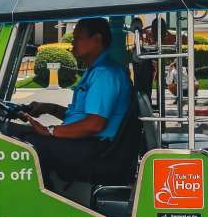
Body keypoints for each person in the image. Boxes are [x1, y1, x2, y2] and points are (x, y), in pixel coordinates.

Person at [19, 18, 132, 184]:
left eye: (78, 38)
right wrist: (48, 108)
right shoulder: (95, 71)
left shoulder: (104, 74)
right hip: (89, 143)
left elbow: (94, 124)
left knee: (26, 145)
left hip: (95, 147)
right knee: (24, 132)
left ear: (97, 40)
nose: (73, 43)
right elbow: (81, 117)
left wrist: (50, 130)